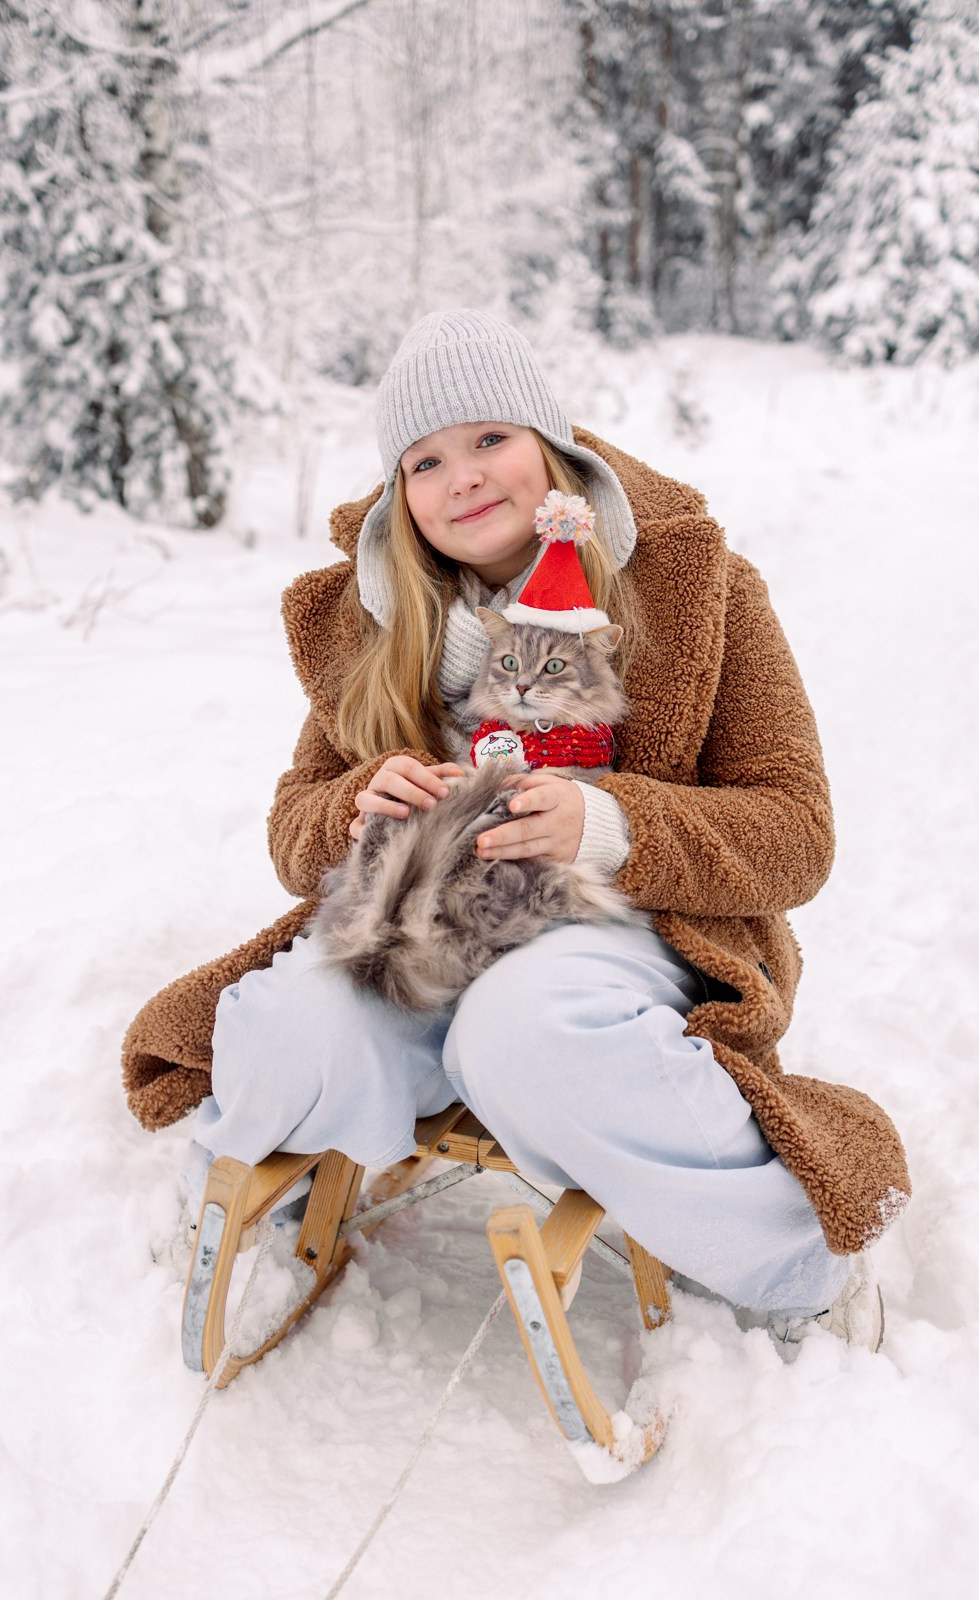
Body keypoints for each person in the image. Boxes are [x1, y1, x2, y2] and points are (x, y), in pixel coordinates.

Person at [123, 309, 909, 1348]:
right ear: (402, 494)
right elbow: (291, 827)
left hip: (613, 931)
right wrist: (353, 803)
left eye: (490, 437)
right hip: (424, 922)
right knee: (290, 1022)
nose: (463, 479)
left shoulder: (694, 587)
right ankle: (245, 1200)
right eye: (424, 460)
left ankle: (792, 1263)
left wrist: (609, 818)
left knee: (525, 1036)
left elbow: (794, 832)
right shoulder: (380, 616)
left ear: (553, 446)